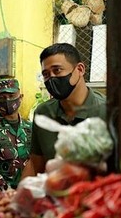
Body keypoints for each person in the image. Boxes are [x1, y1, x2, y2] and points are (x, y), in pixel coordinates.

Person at [21, 43, 106, 178]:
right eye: (46, 74)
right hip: (56, 194)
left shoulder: (106, 112)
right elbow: (35, 164)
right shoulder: (43, 113)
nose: (52, 78)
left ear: (80, 69)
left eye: (57, 70)